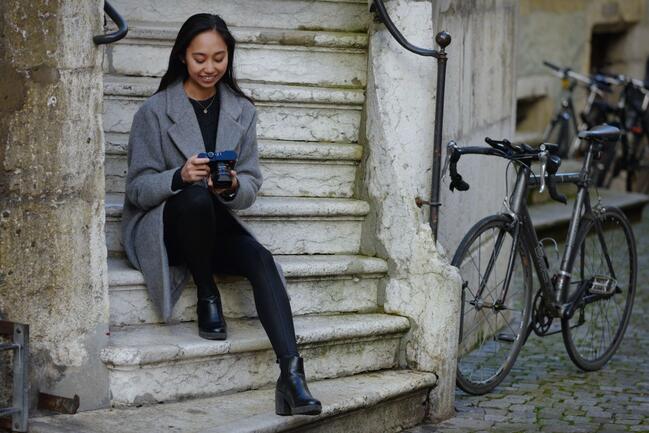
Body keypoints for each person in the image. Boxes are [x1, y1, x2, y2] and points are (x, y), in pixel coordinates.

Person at [121, 13, 321, 416]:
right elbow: (137, 189)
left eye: (218, 58)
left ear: (229, 56)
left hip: (215, 225)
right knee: (193, 199)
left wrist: (230, 187)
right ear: (181, 57)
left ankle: (292, 377)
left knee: (260, 258)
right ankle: (206, 293)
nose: (209, 68)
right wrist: (178, 176)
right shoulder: (155, 112)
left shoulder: (241, 112)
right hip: (168, 230)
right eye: (199, 59)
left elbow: (251, 181)